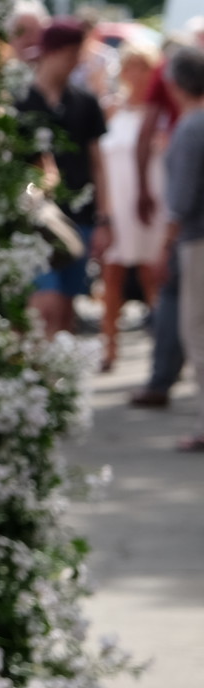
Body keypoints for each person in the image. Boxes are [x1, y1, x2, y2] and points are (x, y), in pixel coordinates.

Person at [18, 18, 109, 339]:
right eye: (71, 55)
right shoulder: (20, 100)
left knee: (66, 308)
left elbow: (98, 163)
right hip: (35, 219)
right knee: (46, 303)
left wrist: (104, 218)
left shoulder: (85, 101)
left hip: (79, 215)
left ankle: (57, 366)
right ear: (52, 52)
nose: (75, 63)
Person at [97, 42, 168, 372]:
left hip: (151, 199)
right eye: (131, 67)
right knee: (111, 274)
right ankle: (109, 346)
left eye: (143, 68)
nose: (136, 75)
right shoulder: (112, 109)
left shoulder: (160, 113)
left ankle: (162, 350)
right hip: (118, 200)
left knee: (152, 273)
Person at [159, 47, 204, 451]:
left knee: (198, 331)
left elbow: (181, 200)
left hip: (198, 241)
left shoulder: (191, 127)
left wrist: (164, 245)